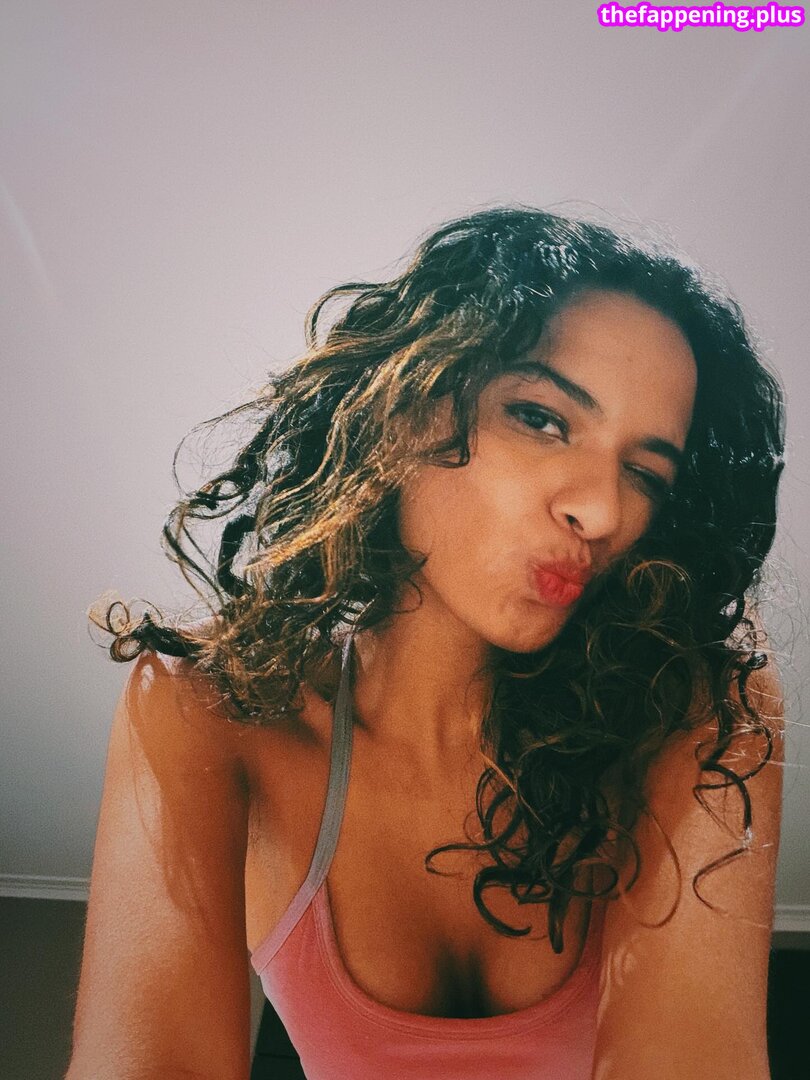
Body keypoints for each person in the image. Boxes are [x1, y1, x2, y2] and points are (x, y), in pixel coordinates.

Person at [68, 205, 787, 1080]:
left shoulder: (694, 713)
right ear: (410, 406)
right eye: (542, 418)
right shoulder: (209, 709)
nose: (601, 511)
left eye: (643, 473)